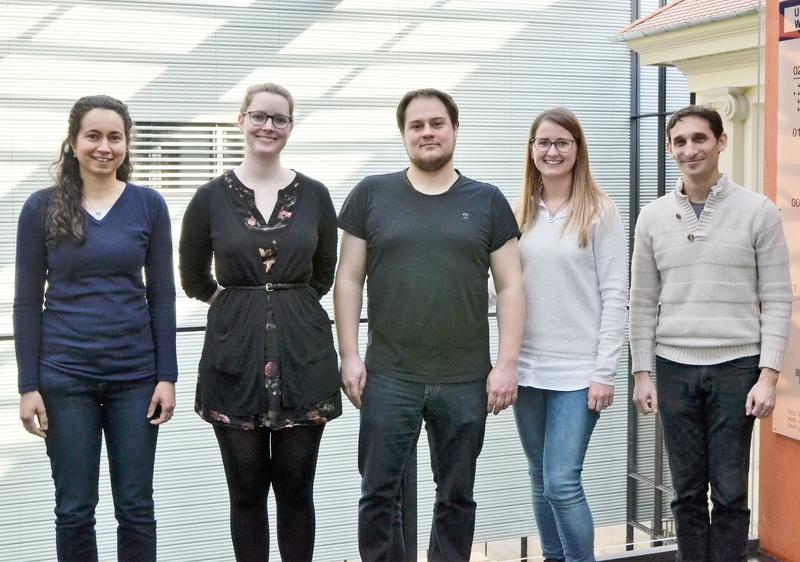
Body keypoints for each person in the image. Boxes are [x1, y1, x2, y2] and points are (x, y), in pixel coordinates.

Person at [334, 88, 525, 562]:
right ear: (403, 135)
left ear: (455, 129)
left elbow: (511, 286)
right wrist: (350, 355)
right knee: (379, 495)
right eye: (416, 126)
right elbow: (348, 278)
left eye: (436, 123)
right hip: (388, 375)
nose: (427, 133)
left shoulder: (487, 201)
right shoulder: (371, 195)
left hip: (464, 378)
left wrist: (506, 364)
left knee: (456, 497)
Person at [179, 83, 340, 562]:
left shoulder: (315, 195)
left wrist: (286, 306)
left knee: (296, 491)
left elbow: (324, 273)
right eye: (259, 116)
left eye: (280, 119)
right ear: (241, 120)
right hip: (235, 360)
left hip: (303, 358)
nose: (268, 126)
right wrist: (238, 307)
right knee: (245, 493)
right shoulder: (209, 198)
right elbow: (192, 276)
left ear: (291, 126)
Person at [14, 95, 177, 562]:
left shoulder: (149, 205)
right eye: (93, 135)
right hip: (64, 379)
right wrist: (29, 386)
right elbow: (27, 302)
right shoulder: (40, 208)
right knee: (74, 510)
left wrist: (167, 375)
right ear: (72, 141)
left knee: (136, 507)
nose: (104, 147)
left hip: (135, 379)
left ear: (126, 144)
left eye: (115, 137)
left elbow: (161, 295)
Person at [629, 105, 791, 562]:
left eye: (699, 139)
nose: (689, 149)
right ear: (668, 148)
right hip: (674, 366)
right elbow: (641, 300)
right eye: (679, 142)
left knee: (730, 492)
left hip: (737, 369)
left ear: (721, 142)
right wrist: (642, 372)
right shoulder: (652, 217)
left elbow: (779, 298)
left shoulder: (758, 211)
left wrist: (768, 375)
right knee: (685, 492)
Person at [512, 107, 627, 562]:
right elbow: (497, 289)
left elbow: (616, 295)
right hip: (526, 369)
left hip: (579, 371)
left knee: (562, 480)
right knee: (540, 477)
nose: (552, 150)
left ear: (577, 150)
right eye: (543, 142)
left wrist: (605, 372)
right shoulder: (517, 211)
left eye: (562, 142)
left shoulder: (600, 211)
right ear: (532, 150)